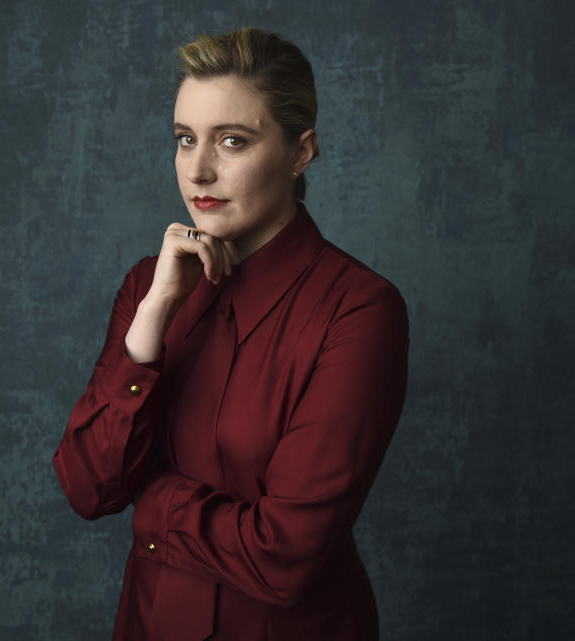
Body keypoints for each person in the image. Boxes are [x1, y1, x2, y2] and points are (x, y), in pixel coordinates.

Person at [53, 27, 409, 641]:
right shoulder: (148, 285)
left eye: (232, 141)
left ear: (301, 152)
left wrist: (156, 501)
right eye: (185, 139)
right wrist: (154, 315)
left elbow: (284, 556)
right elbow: (89, 487)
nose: (199, 169)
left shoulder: (359, 311)